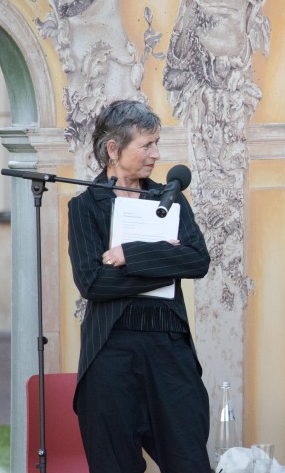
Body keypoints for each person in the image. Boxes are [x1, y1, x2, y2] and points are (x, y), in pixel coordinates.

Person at [67, 99, 211, 472]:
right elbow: (93, 282)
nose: (156, 154)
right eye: (146, 145)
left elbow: (197, 261)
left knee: (189, 461)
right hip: (110, 351)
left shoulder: (170, 196)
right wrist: (166, 257)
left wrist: (131, 254)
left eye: (157, 143)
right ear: (113, 149)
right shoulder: (85, 206)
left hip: (169, 349)